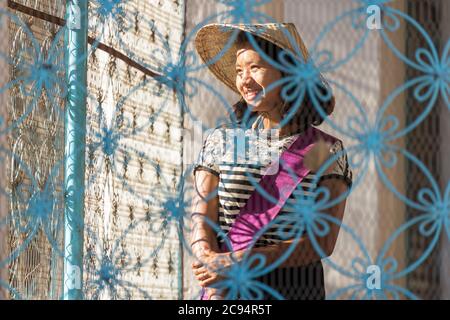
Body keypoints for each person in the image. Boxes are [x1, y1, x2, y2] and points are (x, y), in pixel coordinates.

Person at [190, 23, 353, 300]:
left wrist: (241, 261)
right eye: (239, 71)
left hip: (294, 288)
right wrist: (206, 255)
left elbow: (322, 241)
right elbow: (201, 217)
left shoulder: (326, 151)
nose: (245, 80)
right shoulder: (220, 141)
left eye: (255, 68)